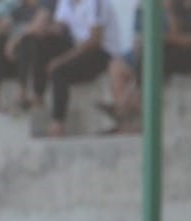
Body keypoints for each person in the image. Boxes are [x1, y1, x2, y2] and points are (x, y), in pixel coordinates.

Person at [24, 0, 124, 137]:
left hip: (101, 53)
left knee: (59, 71)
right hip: (77, 47)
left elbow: (95, 41)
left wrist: (61, 60)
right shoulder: (66, 3)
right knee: (36, 41)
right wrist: (42, 30)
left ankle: (57, 123)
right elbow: (60, 28)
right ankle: (37, 94)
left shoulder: (96, 3)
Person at [104, 0, 191, 134]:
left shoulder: (180, 7)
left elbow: (182, 39)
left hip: (174, 52)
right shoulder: (145, 7)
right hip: (154, 50)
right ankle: (126, 112)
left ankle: (124, 108)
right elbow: (138, 37)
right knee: (117, 65)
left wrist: (170, 14)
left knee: (150, 58)